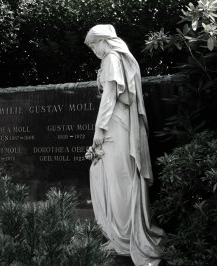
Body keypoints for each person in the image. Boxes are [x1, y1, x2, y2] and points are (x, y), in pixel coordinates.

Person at [84, 24, 165, 266]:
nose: (94, 50)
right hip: (118, 123)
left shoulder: (111, 58)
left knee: (118, 180)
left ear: (103, 40)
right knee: (114, 177)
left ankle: (125, 238)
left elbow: (110, 94)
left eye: (93, 45)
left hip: (114, 124)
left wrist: (99, 128)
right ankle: (120, 236)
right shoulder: (116, 59)